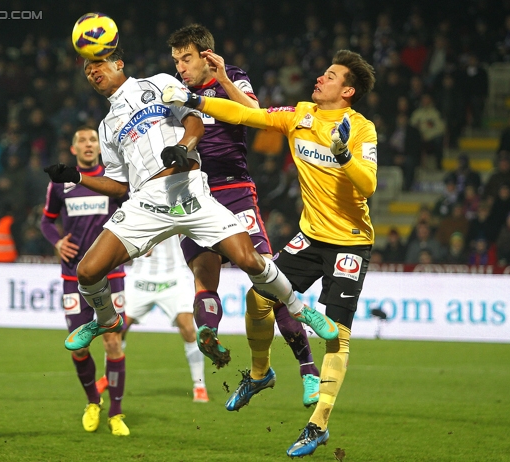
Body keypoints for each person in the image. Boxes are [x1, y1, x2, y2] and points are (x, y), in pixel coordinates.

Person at [42, 46, 338, 421]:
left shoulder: (160, 84)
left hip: (191, 191)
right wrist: (77, 177)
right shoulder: (106, 126)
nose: (93, 72)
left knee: (251, 260)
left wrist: (183, 148)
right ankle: (105, 320)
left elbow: (195, 122)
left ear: (119, 61)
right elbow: (118, 186)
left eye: (98, 64)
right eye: (87, 70)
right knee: (87, 271)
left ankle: (301, 310)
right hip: (146, 203)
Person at [163, 49, 377, 457]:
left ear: (347, 90)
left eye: (330, 76)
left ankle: (318, 425)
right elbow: (247, 115)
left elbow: (367, 185)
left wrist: (344, 155)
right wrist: (196, 100)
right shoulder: (301, 115)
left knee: (337, 336)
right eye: (323, 71)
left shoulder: (361, 129)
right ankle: (260, 373)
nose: (320, 77)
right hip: (311, 238)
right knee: (258, 297)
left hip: (350, 241)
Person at [166, 24, 322, 407]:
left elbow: (256, 115)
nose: (181, 67)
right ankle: (209, 334)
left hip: (234, 191)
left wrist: (222, 78)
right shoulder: (172, 92)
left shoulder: (232, 77)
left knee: (267, 280)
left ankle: (308, 369)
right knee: (204, 276)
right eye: (176, 61)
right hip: (191, 194)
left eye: (186, 58)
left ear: (206, 56)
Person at [40, 126, 130, 436]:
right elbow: (47, 221)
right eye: (83, 141)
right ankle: (94, 401)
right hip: (71, 274)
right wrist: (57, 242)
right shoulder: (60, 186)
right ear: (74, 149)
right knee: (77, 347)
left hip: (111, 272)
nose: (89, 144)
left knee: (112, 340)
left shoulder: (111, 182)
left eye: (93, 139)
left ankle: (116, 414)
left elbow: (130, 212)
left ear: (100, 147)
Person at [118, 235, 209, 403]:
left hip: (174, 275)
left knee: (188, 329)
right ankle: (110, 378)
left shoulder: (180, 209)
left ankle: (199, 386)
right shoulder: (137, 209)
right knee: (118, 329)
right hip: (141, 276)